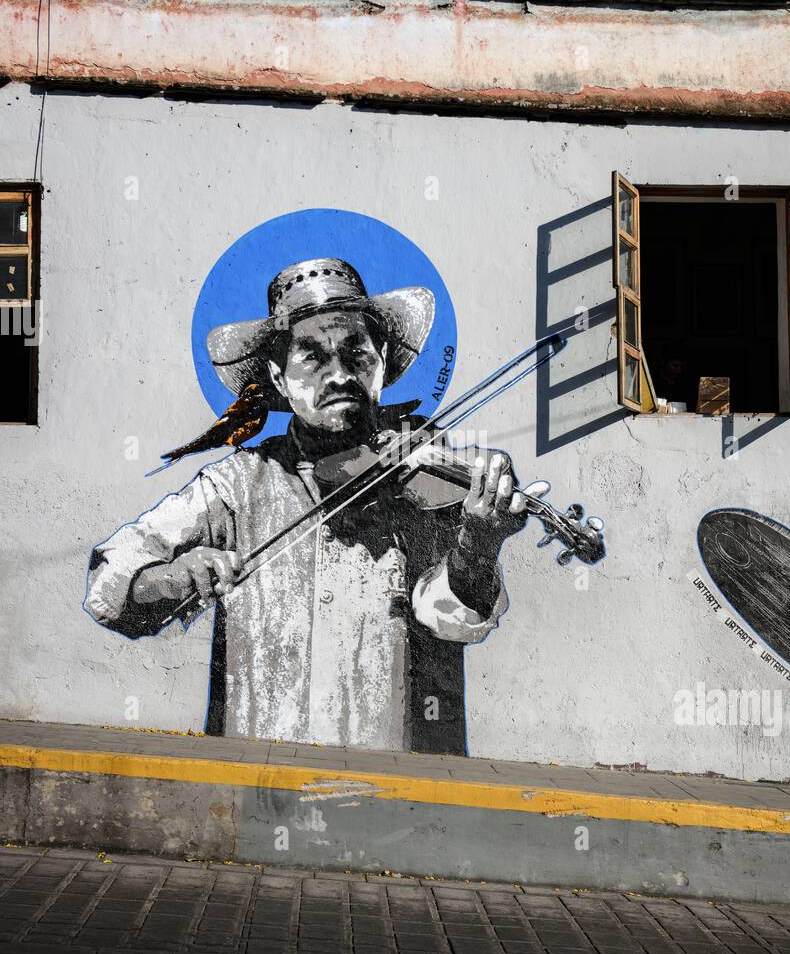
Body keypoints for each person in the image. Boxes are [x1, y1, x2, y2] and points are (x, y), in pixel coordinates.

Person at [84, 259, 528, 754]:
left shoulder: (423, 482)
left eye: (356, 352)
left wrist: (480, 544)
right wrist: (172, 577)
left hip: (395, 789)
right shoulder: (235, 484)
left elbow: (447, 618)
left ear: (382, 359)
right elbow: (111, 578)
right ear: (279, 376)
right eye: (312, 356)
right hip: (255, 777)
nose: (339, 374)